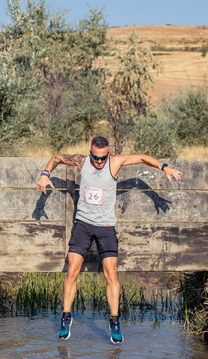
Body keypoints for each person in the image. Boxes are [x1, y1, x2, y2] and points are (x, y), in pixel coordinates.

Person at [36, 136, 182, 344]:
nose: (98, 162)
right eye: (95, 157)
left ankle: (114, 321)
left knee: (111, 274)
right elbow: (57, 157)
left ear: (108, 154)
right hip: (83, 225)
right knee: (72, 271)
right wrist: (45, 175)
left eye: (102, 158)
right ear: (90, 153)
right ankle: (66, 317)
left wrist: (164, 167)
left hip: (105, 227)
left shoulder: (114, 163)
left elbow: (142, 158)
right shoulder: (82, 161)